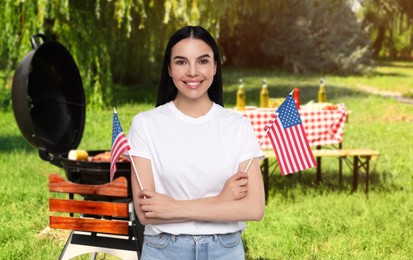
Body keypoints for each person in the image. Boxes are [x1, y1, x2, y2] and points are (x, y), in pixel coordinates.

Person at [127, 25, 265, 260]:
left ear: (214, 67)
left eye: (202, 61)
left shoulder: (237, 126)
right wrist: (221, 201)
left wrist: (173, 208)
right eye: (181, 62)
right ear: (169, 69)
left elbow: (253, 208)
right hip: (163, 250)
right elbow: (147, 213)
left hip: (226, 250)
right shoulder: (145, 125)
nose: (192, 72)